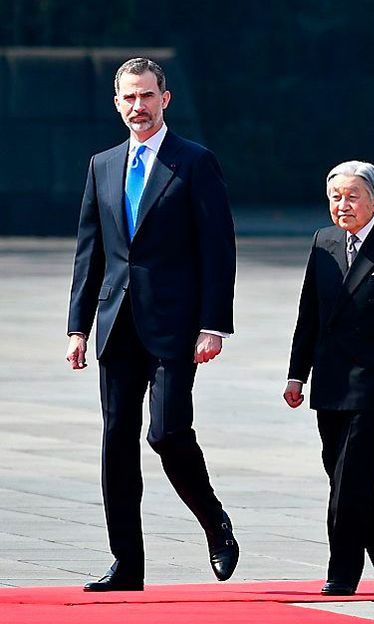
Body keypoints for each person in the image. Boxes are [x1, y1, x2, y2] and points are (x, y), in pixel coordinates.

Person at [65, 57, 238, 591]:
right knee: (116, 440)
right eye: (128, 98)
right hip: (116, 322)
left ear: (166, 99)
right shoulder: (102, 165)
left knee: (166, 433)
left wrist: (214, 325)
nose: (137, 107)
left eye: (146, 96)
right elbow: (90, 252)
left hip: (176, 327)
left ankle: (215, 524)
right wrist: (78, 326)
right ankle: (127, 564)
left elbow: (218, 249)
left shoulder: (195, 162)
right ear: (117, 104)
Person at [284, 161, 374, 596]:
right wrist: (296, 375)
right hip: (329, 378)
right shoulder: (323, 241)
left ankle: (342, 572)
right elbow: (308, 314)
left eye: (352, 197)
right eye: (335, 197)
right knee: (339, 470)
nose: (342, 205)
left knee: (351, 479)